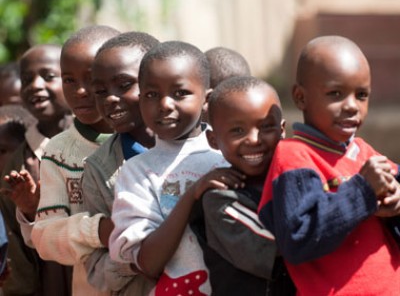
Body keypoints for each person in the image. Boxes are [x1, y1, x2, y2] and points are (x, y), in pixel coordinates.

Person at [258, 35, 400, 295]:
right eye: (335, 93)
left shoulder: (364, 151)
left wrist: (397, 200)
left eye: (361, 95)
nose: (351, 106)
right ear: (300, 98)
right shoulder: (294, 156)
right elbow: (298, 236)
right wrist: (363, 192)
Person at [109, 41, 240, 295]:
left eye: (180, 93)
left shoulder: (231, 151)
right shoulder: (137, 172)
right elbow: (148, 262)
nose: (165, 104)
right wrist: (192, 195)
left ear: (207, 99)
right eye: (151, 95)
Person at [27, 25, 120, 295]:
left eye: (91, 79)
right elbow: (44, 237)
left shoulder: (149, 140)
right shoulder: (59, 151)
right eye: (69, 79)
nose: (80, 91)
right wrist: (98, 231)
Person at [190, 75, 296, 295]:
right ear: (213, 140)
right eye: (237, 131)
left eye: (266, 127)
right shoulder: (221, 200)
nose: (254, 139)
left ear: (282, 130)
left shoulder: (294, 179)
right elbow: (290, 243)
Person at [82, 31, 159, 295]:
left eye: (124, 85)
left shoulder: (203, 146)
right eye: (100, 91)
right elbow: (97, 271)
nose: (110, 99)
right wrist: (137, 254)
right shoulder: (98, 169)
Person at [0, 44, 73, 296]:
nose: (36, 85)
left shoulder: (93, 141)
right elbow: (14, 239)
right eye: (27, 79)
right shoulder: (19, 162)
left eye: (48, 76)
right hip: (47, 281)